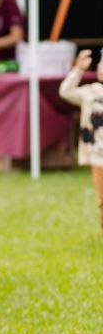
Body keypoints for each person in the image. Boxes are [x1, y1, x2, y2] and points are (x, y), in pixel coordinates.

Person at [60, 50, 103, 232]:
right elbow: (65, 91)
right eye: (101, 63)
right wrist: (78, 70)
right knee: (102, 198)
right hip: (98, 155)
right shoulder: (90, 92)